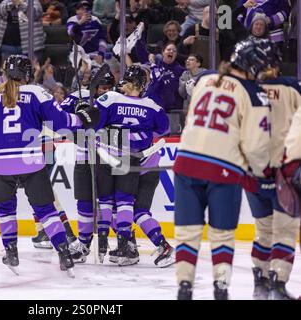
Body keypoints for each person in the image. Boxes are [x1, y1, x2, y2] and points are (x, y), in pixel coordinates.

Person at [0, 54, 98, 277]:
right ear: (27, 74)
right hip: (30, 162)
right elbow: (60, 123)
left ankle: (11, 252)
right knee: (46, 210)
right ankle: (64, 252)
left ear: (5, 72)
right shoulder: (37, 93)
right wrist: (82, 119)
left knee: (5, 210)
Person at [173, 39, 273, 300]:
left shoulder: (206, 79)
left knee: (187, 232)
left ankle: (184, 287)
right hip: (223, 167)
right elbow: (255, 146)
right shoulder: (253, 92)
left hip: (186, 161)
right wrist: (262, 173)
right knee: (222, 234)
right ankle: (221, 287)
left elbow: (192, 116)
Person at [69, 65, 170, 266]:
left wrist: (83, 113)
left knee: (122, 206)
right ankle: (126, 247)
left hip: (123, 159)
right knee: (125, 205)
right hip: (142, 161)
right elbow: (165, 128)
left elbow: (93, 122)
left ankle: (140, 246)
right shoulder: (152, 105)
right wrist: (141, 134)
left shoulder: (111, 99)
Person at [245, 40, 300, 300]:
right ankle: (278, 284)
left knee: (263, 230)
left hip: (253, 172)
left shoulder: (244, 89)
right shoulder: (292, 88)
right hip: (285, 171)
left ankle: (260, 282)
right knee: (284, 231)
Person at [59, 67, 115, 262]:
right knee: (84, 201)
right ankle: (83, 243)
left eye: (109, 87)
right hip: (84, 156)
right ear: (94, 86)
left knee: (112, 202)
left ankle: (124, 240)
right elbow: (58, 119)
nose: (105, 90)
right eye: (102, 87)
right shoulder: (76, 97)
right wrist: (78, 113)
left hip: (110, 158)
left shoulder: (115, 100)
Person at [145, 43, 185, 112]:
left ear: (176, 55)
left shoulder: (180, 70)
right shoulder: (154, 66)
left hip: (173, 109)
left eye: (174, 51)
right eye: (169, 49)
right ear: (163, 52)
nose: (171, 51)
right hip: (154, 107)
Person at [67, 1, 107, 65]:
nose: (85, 11)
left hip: (95, 53)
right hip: (78, 53)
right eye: (82, 9)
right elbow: (70, 32)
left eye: (87, 9)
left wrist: (101, 54)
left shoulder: (95, 20)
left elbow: (102, 39)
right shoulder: (72, 20)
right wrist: (80, 22)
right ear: (77, 11)